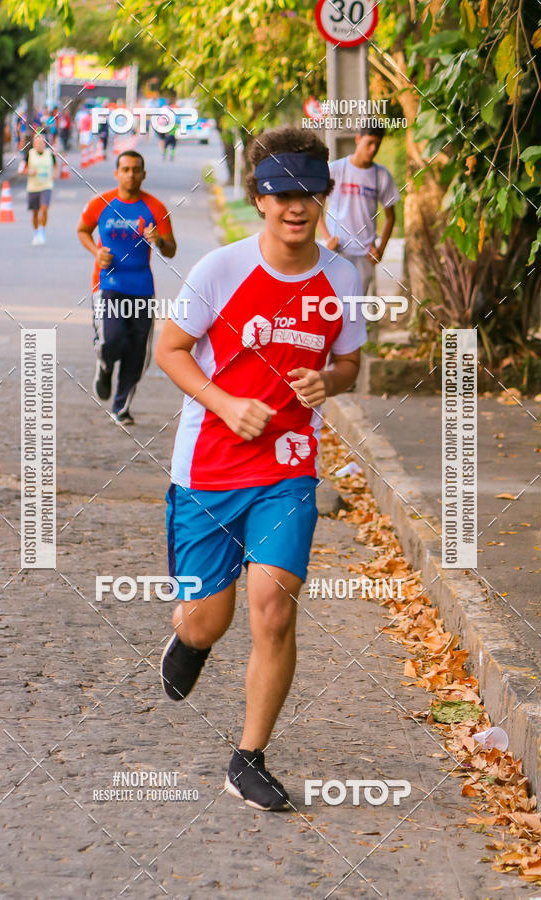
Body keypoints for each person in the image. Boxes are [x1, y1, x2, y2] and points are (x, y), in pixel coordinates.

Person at [155, 126, 366, 812]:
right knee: (207, 621)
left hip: (287, 469)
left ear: (325, 195)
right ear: (258, 198)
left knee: (273, 612)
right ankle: (190, 641)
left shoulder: (342, 277)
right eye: (281, 194)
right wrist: (223, 400)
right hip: (208, 470)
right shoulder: (220, 268)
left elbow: (349, 365)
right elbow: (171, 348)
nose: (295, 206)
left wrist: (325, 385)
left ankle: (247, 759)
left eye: (308, 191)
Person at [76, 150, 176, 425]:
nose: (131, 174)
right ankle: (105, 366)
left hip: (142, 287)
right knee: (112, 338)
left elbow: (171, 250)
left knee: (137, 352)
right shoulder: (101, 203)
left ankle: (121, 408)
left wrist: (158, 241)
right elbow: (82, 230)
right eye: (126, 169)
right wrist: (96, 252)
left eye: (136, 170)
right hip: (107, 283)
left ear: (143, 174)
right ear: (117, 173)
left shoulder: (155, 207)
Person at [318, 123, 400, 294]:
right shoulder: (336, 169)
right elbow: (317, 206)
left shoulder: (381, 175)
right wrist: (327, 238)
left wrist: (381, 250)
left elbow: (391, 217)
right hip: (337, 250)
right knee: (332, 302)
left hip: (365, 254)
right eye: (369, 143)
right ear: (358, 139)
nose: (373, 149)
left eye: (377, 145)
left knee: (355, 307)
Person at [24, 131, 58, 246]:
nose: (40, 145)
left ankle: (42, 231)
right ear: (34, 144)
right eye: (37, 142)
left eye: (42, 142)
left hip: (46, 186)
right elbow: (22, 170)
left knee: (44, 209)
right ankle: (36, 233)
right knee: (35, 212)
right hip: (33, 187)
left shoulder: (50, 154)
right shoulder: (29, 154)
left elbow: (56, 165)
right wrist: (29, 172)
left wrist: (55, 174)